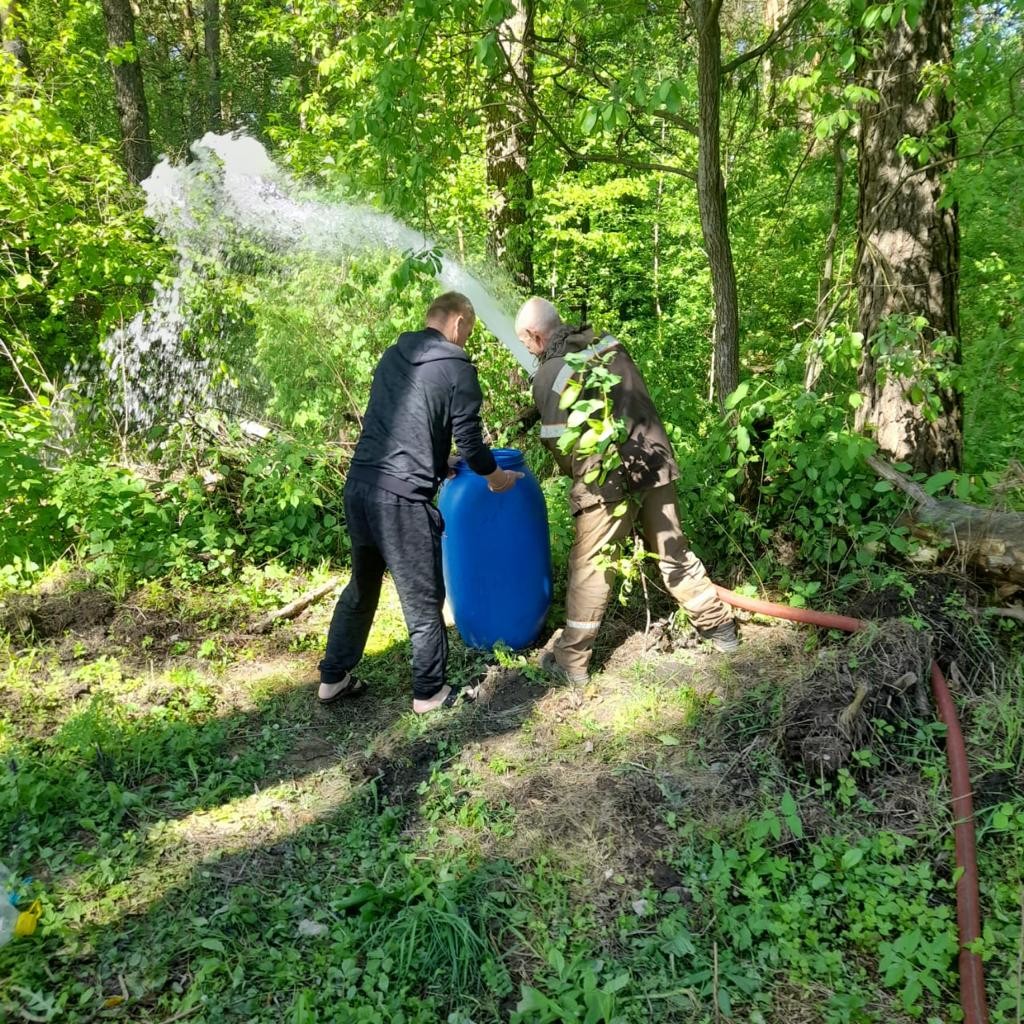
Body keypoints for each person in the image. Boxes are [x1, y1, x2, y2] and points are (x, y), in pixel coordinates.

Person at [515, 297, 738, 684]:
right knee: (674, 552)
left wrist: (586, 479)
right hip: (652, 460)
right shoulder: (605, 343)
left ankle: (571, 662)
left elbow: (560, 445)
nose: (527, 351)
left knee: (590, 569)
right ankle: (721, 630)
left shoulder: (550, 372)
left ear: (536, 335)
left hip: (605, 480)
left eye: (526, 343)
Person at [318, 292, 522, 713]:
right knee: (424, 600)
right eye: (470, 331)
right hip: (401, 504)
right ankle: (430, 693)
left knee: (362, 588)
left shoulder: (393, 357)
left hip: (360, 488)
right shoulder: (456, 368)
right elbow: (470, 442)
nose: (467, 339)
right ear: (459, 322)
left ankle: (333, 677)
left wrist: (435, 461)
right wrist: (497, 478)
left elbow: (398, 428)